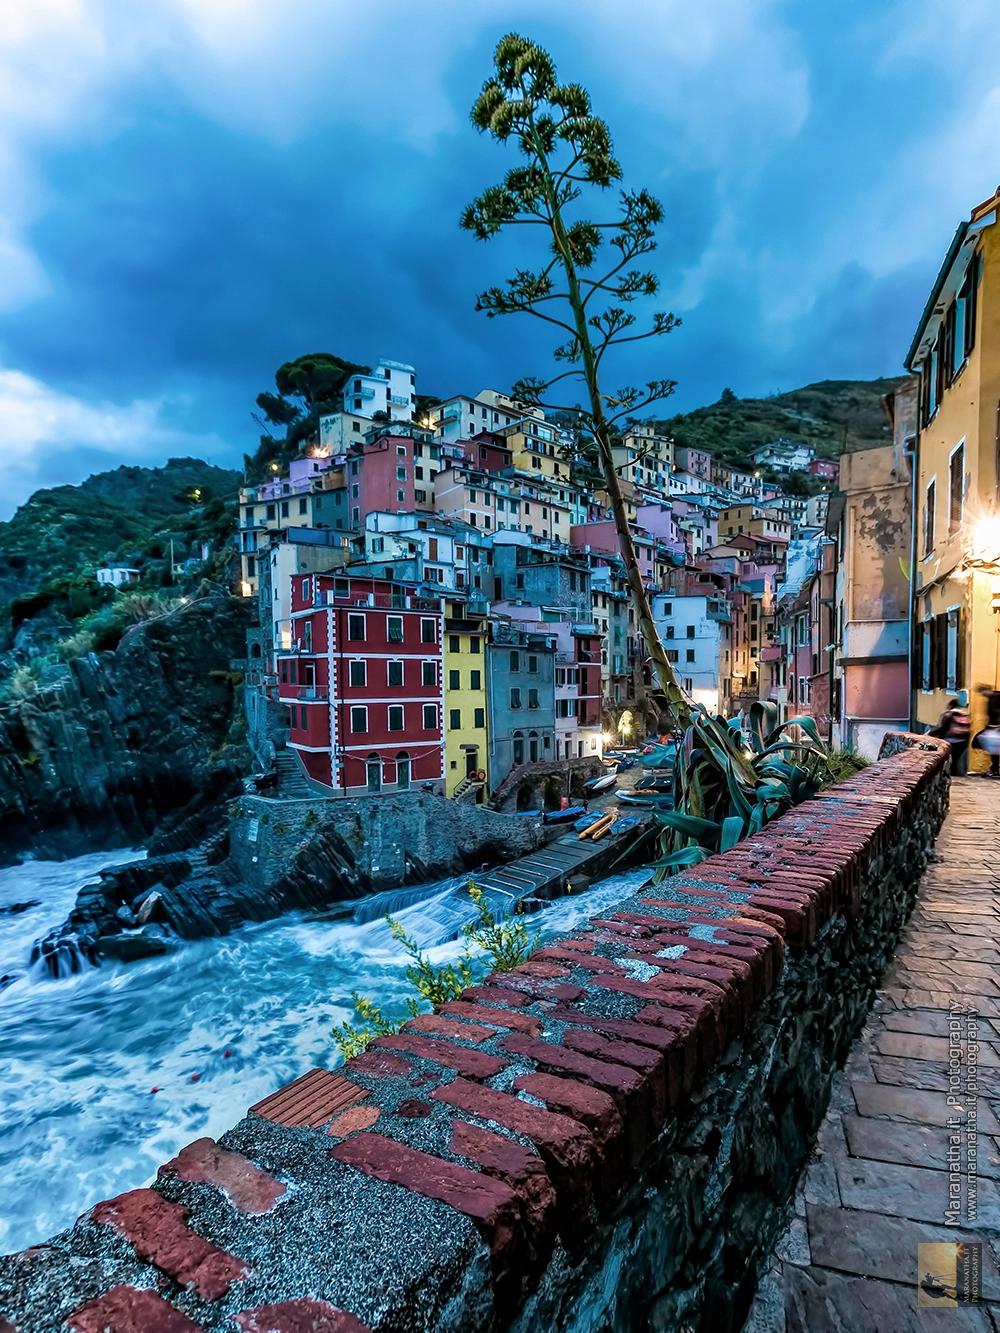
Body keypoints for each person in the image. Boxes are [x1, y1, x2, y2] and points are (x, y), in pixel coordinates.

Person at [930, 699, 971, 774]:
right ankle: (954, 773)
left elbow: (942, 728)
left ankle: (950, 774)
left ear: (950, 706)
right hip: (963, 742)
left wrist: (930, 734)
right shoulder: (964, 715)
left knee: (946, 758)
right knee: (955, 759)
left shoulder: (948, 715)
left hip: (950, 740)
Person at [972, 686, 1000, 777]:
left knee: (992, 748)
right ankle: (994, 768)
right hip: (992, 727)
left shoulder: (994, 699)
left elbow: (996, 715)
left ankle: (994, 769)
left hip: (995, 728)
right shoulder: (991, 699)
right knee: (993, 749)